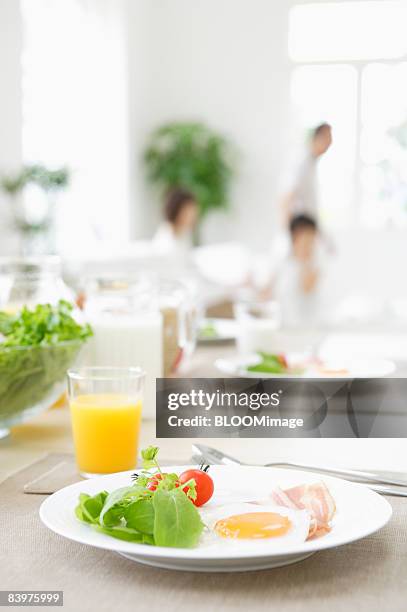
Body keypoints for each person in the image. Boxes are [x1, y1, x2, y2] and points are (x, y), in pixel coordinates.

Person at [269, 214, 324, 326]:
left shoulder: (315, 266)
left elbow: (307, 288)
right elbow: (268, 294)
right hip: (283, 326)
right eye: (305, 238)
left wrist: (305, 264)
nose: (309, 245)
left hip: (307, 328)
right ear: (294, 238)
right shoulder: (282, 264)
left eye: (312, 240)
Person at [280, 123, 332, 226]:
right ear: (317, 137)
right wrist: (288, 230)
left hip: (308, 225)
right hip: (300, 227)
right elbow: (287, 195)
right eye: (328, 137)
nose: (330, 143)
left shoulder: (312, 162)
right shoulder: (302, 160)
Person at [152, 188, 199, 255]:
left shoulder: (185, 233)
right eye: (188, 211)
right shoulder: (165, 238)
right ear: (176, 210)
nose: (193, 216)